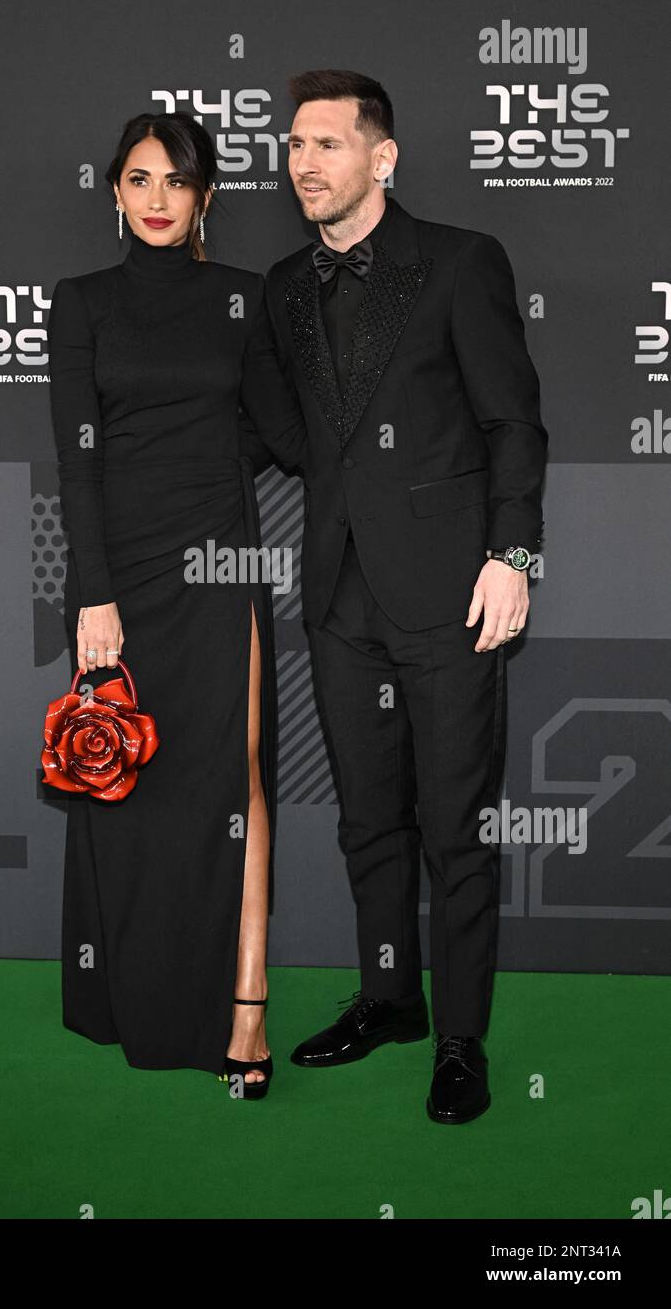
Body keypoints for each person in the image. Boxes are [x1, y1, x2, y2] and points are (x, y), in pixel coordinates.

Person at [262, 69, 548, 1123]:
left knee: (452, 828)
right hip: (338, 596)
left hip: (450, 596)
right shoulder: (288, 287)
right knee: (364, 820)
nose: (302, 162)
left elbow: (512, 421)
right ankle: (388, 998)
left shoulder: (458, 263)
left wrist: (509, 556)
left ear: (379, 158)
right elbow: (292, 429)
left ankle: (461, 1038)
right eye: (293, 143)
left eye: (325, 144)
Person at [46, 112, 307, 1097]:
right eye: (140, 178)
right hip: (123, 574)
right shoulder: (81, 304)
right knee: (127, 789)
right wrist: (93, 598)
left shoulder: (241, 301)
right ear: (112, 189)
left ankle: (247, 1004)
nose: (157, 198)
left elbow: (284, 433)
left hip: (217, 565)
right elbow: (77, 464)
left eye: (178, 181)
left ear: (204, 197)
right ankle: (131, 992)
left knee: (233, 777)